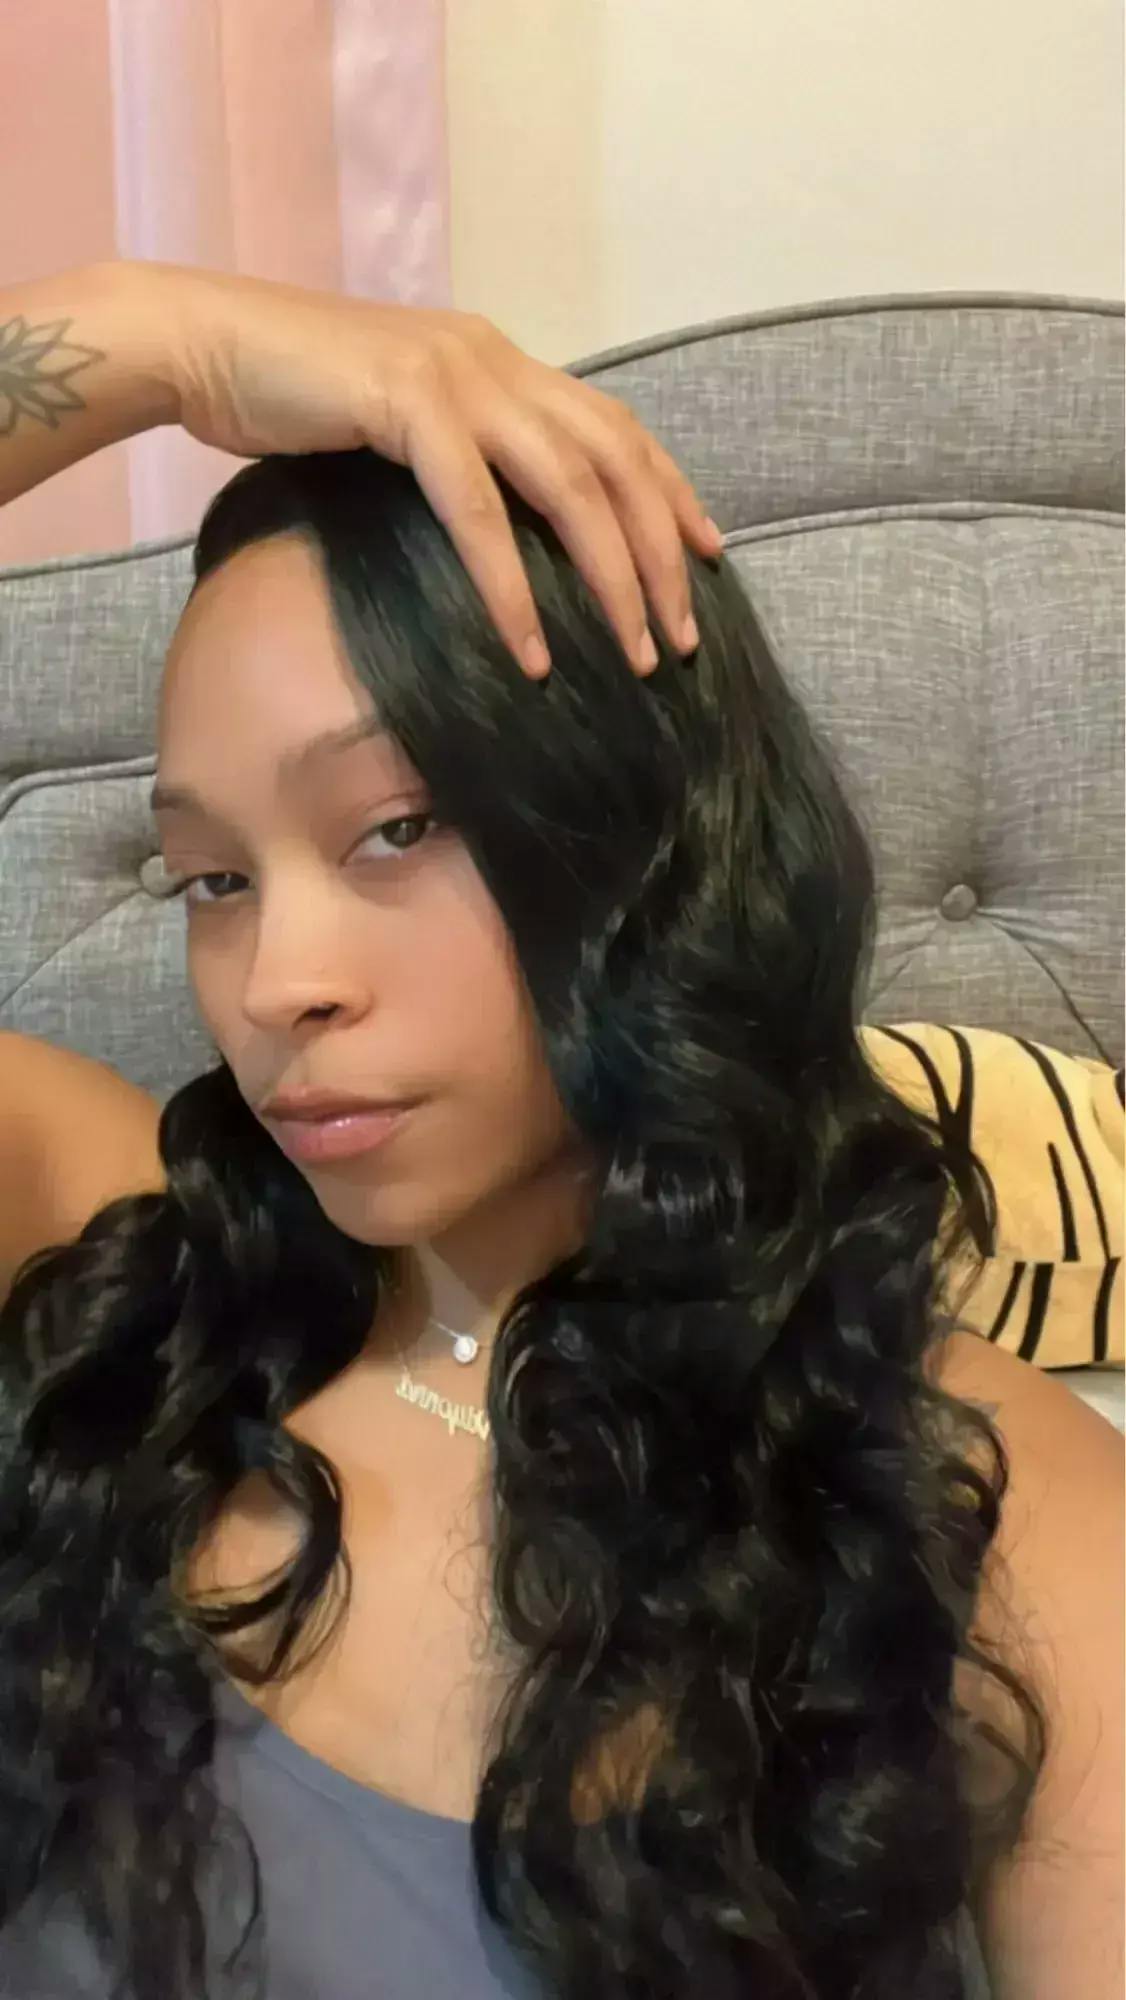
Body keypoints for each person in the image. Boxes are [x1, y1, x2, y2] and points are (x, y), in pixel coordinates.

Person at [0, 260, 1120, 2000]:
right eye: (215, 878)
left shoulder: (980, 1506)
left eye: (395, 827)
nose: (277, 982)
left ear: (648, 840)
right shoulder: (107, 1267)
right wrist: (169, 344)